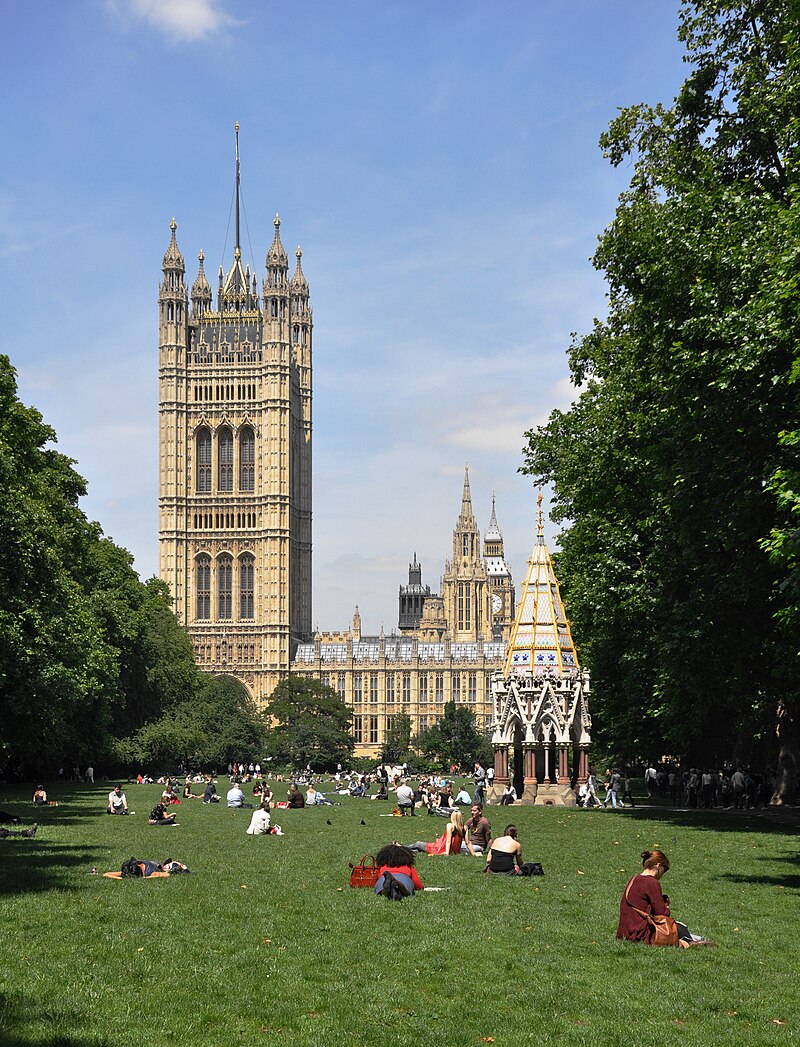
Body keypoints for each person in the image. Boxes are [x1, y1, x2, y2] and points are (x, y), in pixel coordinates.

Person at [617, 849, 715, 947]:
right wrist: (667, 908)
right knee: (675, 929)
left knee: (677, 928)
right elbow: (661, 913)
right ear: (658, 865)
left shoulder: (634, 879)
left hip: (624, 933)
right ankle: (689, 942)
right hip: (639, 934)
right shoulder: (651, 882)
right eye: (665, 869)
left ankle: (691, 940)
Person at [405, 810, 476, 855]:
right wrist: (473, 854)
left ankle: (400, 848)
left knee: (418, 844)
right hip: (454, 851)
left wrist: (447, 853)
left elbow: (448, 841)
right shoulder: (464, 828)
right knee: (418, 849)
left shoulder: (450, 826)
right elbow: (468, 843)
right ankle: (407, 851)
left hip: (440, 848)